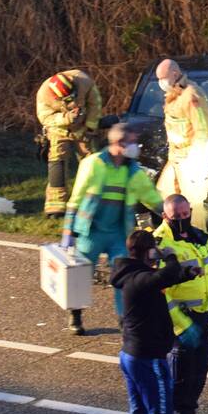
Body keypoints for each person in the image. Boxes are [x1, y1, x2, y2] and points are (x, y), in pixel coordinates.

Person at [110, 230, 198, 414]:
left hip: (131, 355)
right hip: (148, 359)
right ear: (149, 252)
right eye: (154, 249)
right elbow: (162, 275)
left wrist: (186, 273)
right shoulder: (140, 278)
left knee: (138, 411)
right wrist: (169, 256)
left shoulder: (131, 275)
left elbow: (161, 279)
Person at [61, 123, 164, 335]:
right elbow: (76, 197)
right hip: (91, 230)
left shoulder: (133, 171)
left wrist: (170, 212)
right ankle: (75, 314)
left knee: (124, 277)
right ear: (118, 143)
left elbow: (150, 196)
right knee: (81, 275)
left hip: (119, 233)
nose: (136, 146)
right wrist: (68, 230)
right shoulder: (93, 164)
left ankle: (125, 319)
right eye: (132, 142)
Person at [152, 194, 208, 414]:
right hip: (179, 323)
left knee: (197, 376)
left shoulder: (199, 238)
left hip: (201, 318)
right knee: (177, 379)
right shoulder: (161, 245)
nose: (183, 219)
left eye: (186, 214)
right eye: (177, 216)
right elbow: (161, 291)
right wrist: (182, 325)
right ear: (165, 216)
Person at [154, 58, 208, 231]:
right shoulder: (173, 95)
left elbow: (203, 130)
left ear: (175, 74)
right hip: (177, 156)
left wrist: (193, 161)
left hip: (193, 157)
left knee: (191, 203)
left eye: (163, 78)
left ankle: (197, 236)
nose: (161, 83)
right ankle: (174, 233)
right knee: (166, 193)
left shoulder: (191, 95)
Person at [35, 70, 104, 217]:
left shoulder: (85, 82)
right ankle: (56, 205)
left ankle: (93, 200)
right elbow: (45, 118)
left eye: (73, 96)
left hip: (83, 128)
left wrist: (91, 126)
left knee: (91, 161)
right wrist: (66, 118)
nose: (71, 102)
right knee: (57, 161)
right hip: (58, 130)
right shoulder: (44, 94)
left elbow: (95, 104)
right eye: (67, 99)